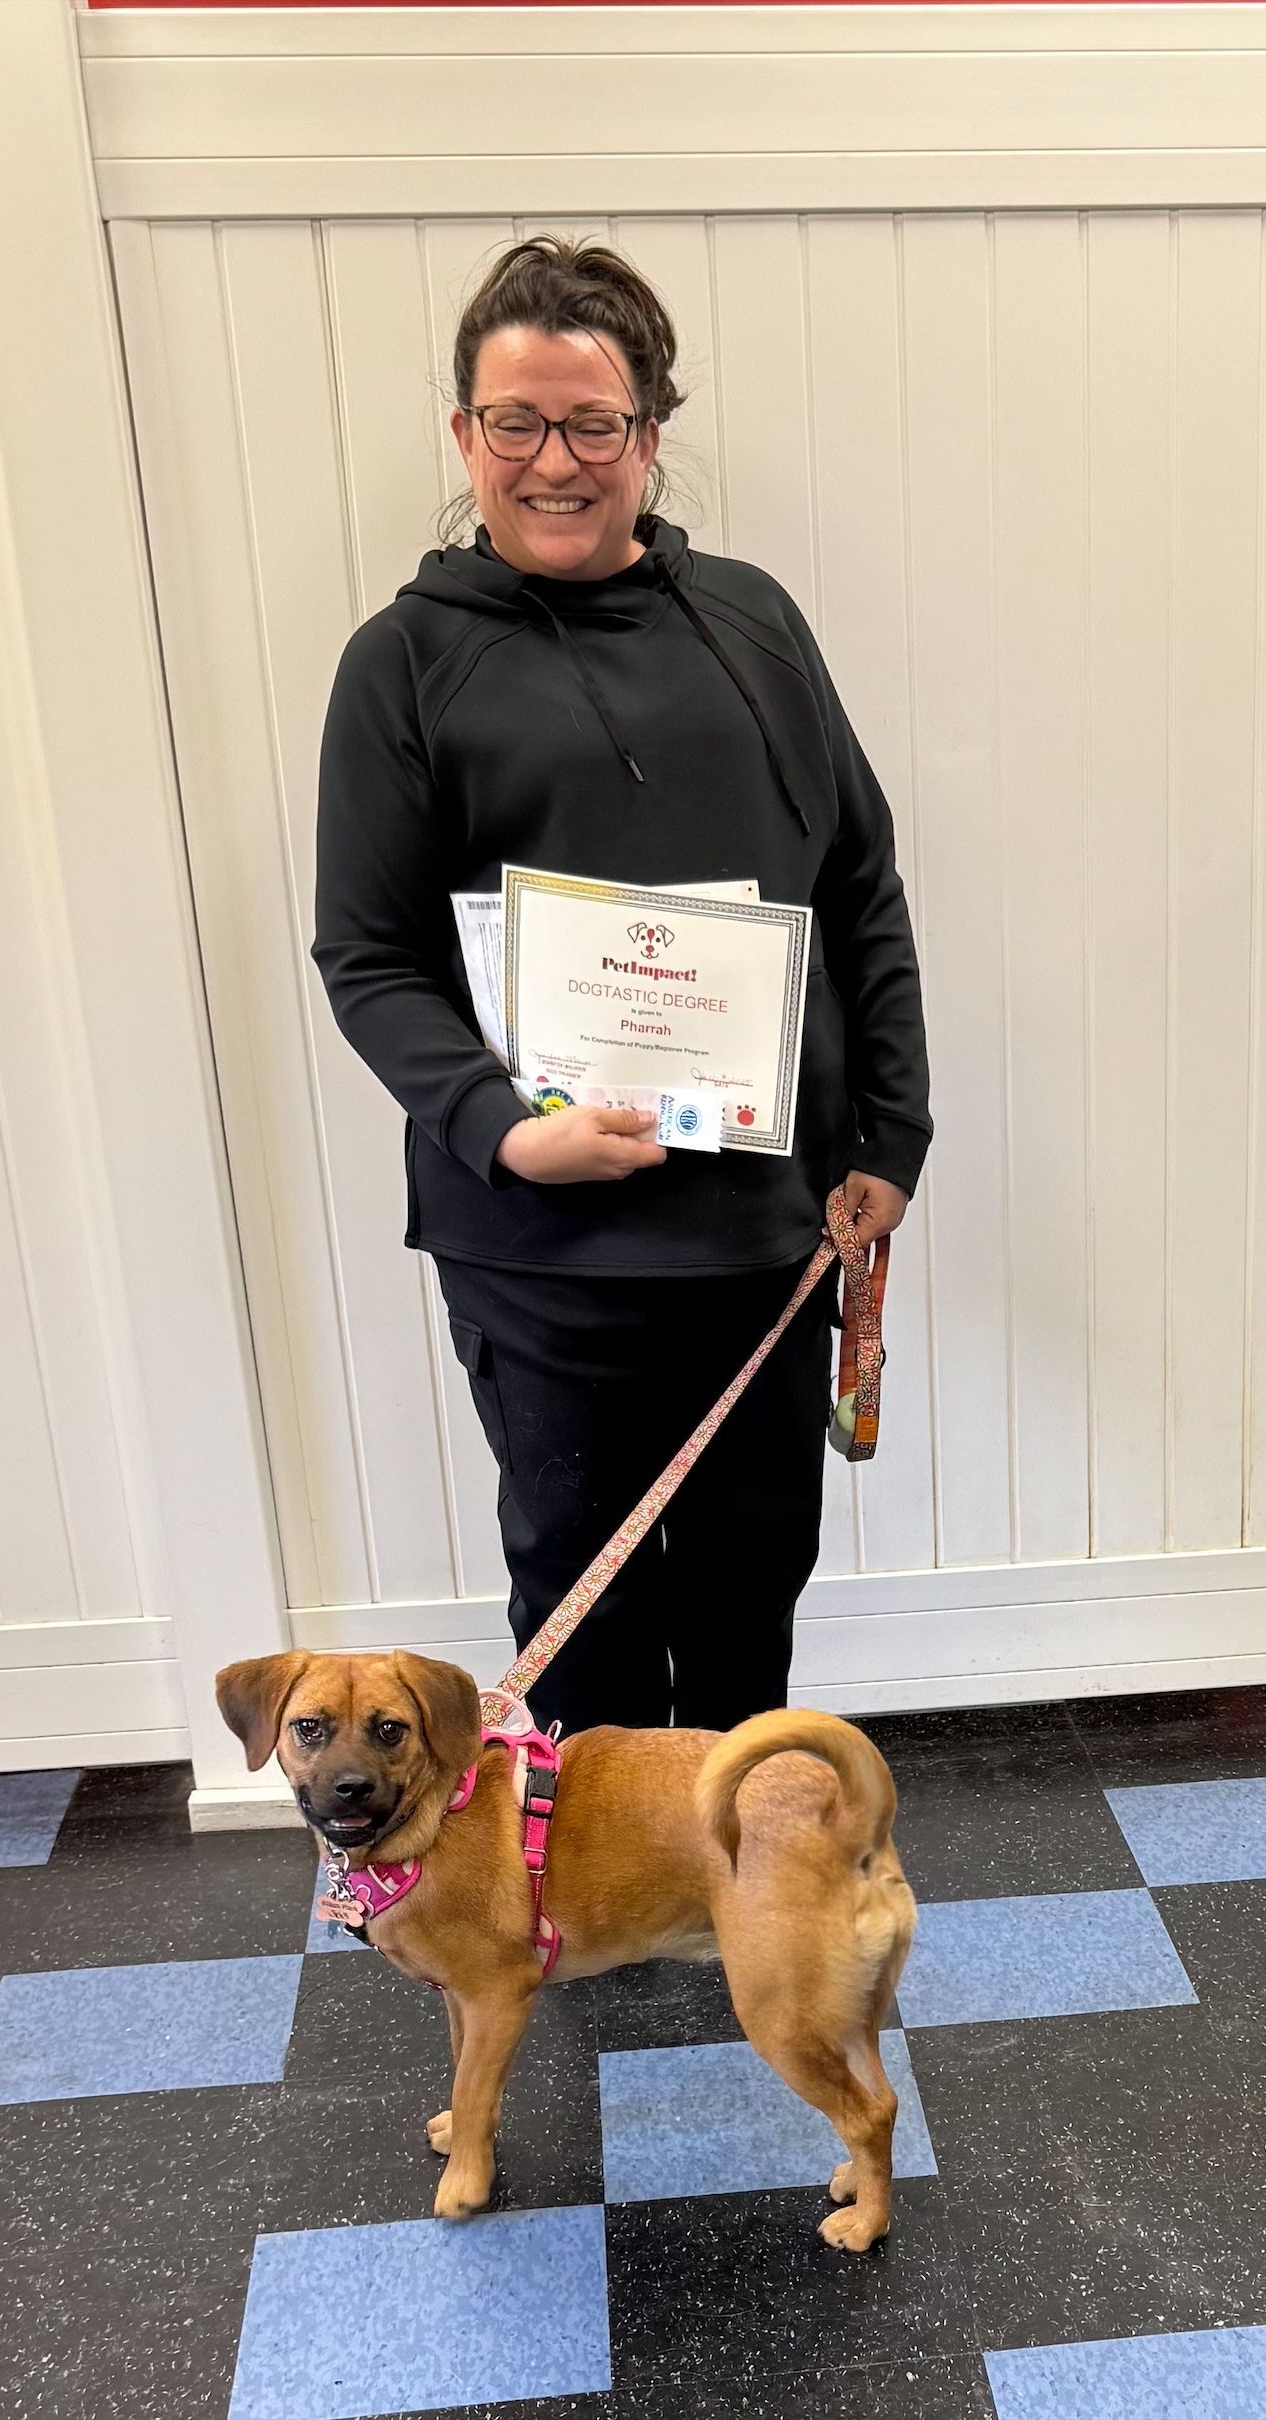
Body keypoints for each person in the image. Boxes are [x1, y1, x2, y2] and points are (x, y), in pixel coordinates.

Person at [313, 237, 930, 1738]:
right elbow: (369, 955)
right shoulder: (402, 664)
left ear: (650, 433)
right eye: (515, 422)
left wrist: (888, 1141)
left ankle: (737, 1887)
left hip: (764, 1234)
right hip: (545, 1243)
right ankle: (592, 1932)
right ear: (465, 436)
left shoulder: (755, 621)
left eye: (594, 423)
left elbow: (857, 882)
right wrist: (503, 1128)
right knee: (581, 1600)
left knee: (749, 1581)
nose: (554, 461)